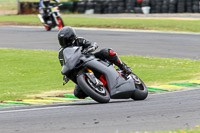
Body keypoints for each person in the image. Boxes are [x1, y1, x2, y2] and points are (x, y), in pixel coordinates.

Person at [58, 26, 132, 98]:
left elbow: (92, 44)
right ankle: (95, 89)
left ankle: (123, 67)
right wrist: (66, 74)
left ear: (72, 38)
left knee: (106, 52)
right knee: (78, 93)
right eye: (62, 40)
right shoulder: (61, 52)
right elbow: (64, 64)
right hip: (79, 68)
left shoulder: (79, 40)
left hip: (90, 59)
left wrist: (90, 48)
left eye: (66, 40)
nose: (64, 42)